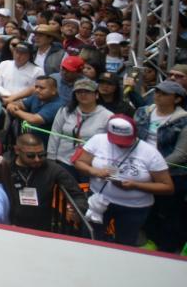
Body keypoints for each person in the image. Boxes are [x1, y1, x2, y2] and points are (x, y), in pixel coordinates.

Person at [75, 115, 174, 246]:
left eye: (125, 141)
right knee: (91, 238)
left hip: (133, 207)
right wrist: (95, 171)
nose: (120, 145)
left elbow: (167, 187)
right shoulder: (98, 140)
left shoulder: (150, 153)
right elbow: (79, 161)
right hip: (99, 200)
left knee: (125, 244)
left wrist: (136, 185)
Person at [134, 80, 187, 252]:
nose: (158, 95)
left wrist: (155, 168)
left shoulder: (183, 121)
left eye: (164, 93)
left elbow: (181, 153)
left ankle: (169, 249)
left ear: (177, 99)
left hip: (172, 174)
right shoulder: (143, 112)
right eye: (157, 91)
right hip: (142, 169)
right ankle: (150, 242)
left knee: (169, 213)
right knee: (146, 211)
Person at [3, 133, 87, 234]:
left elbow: (77, 194)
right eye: (31, 156)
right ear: (17, 150)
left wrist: (78, 209)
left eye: (42, 155)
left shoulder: (52, 169)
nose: (37, 159)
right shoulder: (5, 167)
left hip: (41, 229)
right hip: (9, 226)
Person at [48, 78, 113, 180]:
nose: (83, 94)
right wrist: (51, 158)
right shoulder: (65, 111)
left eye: (87, 91)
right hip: (64, 161)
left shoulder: (107, 116)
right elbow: (55, 134)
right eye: (79, 92)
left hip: (90, 165)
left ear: (96, 94)